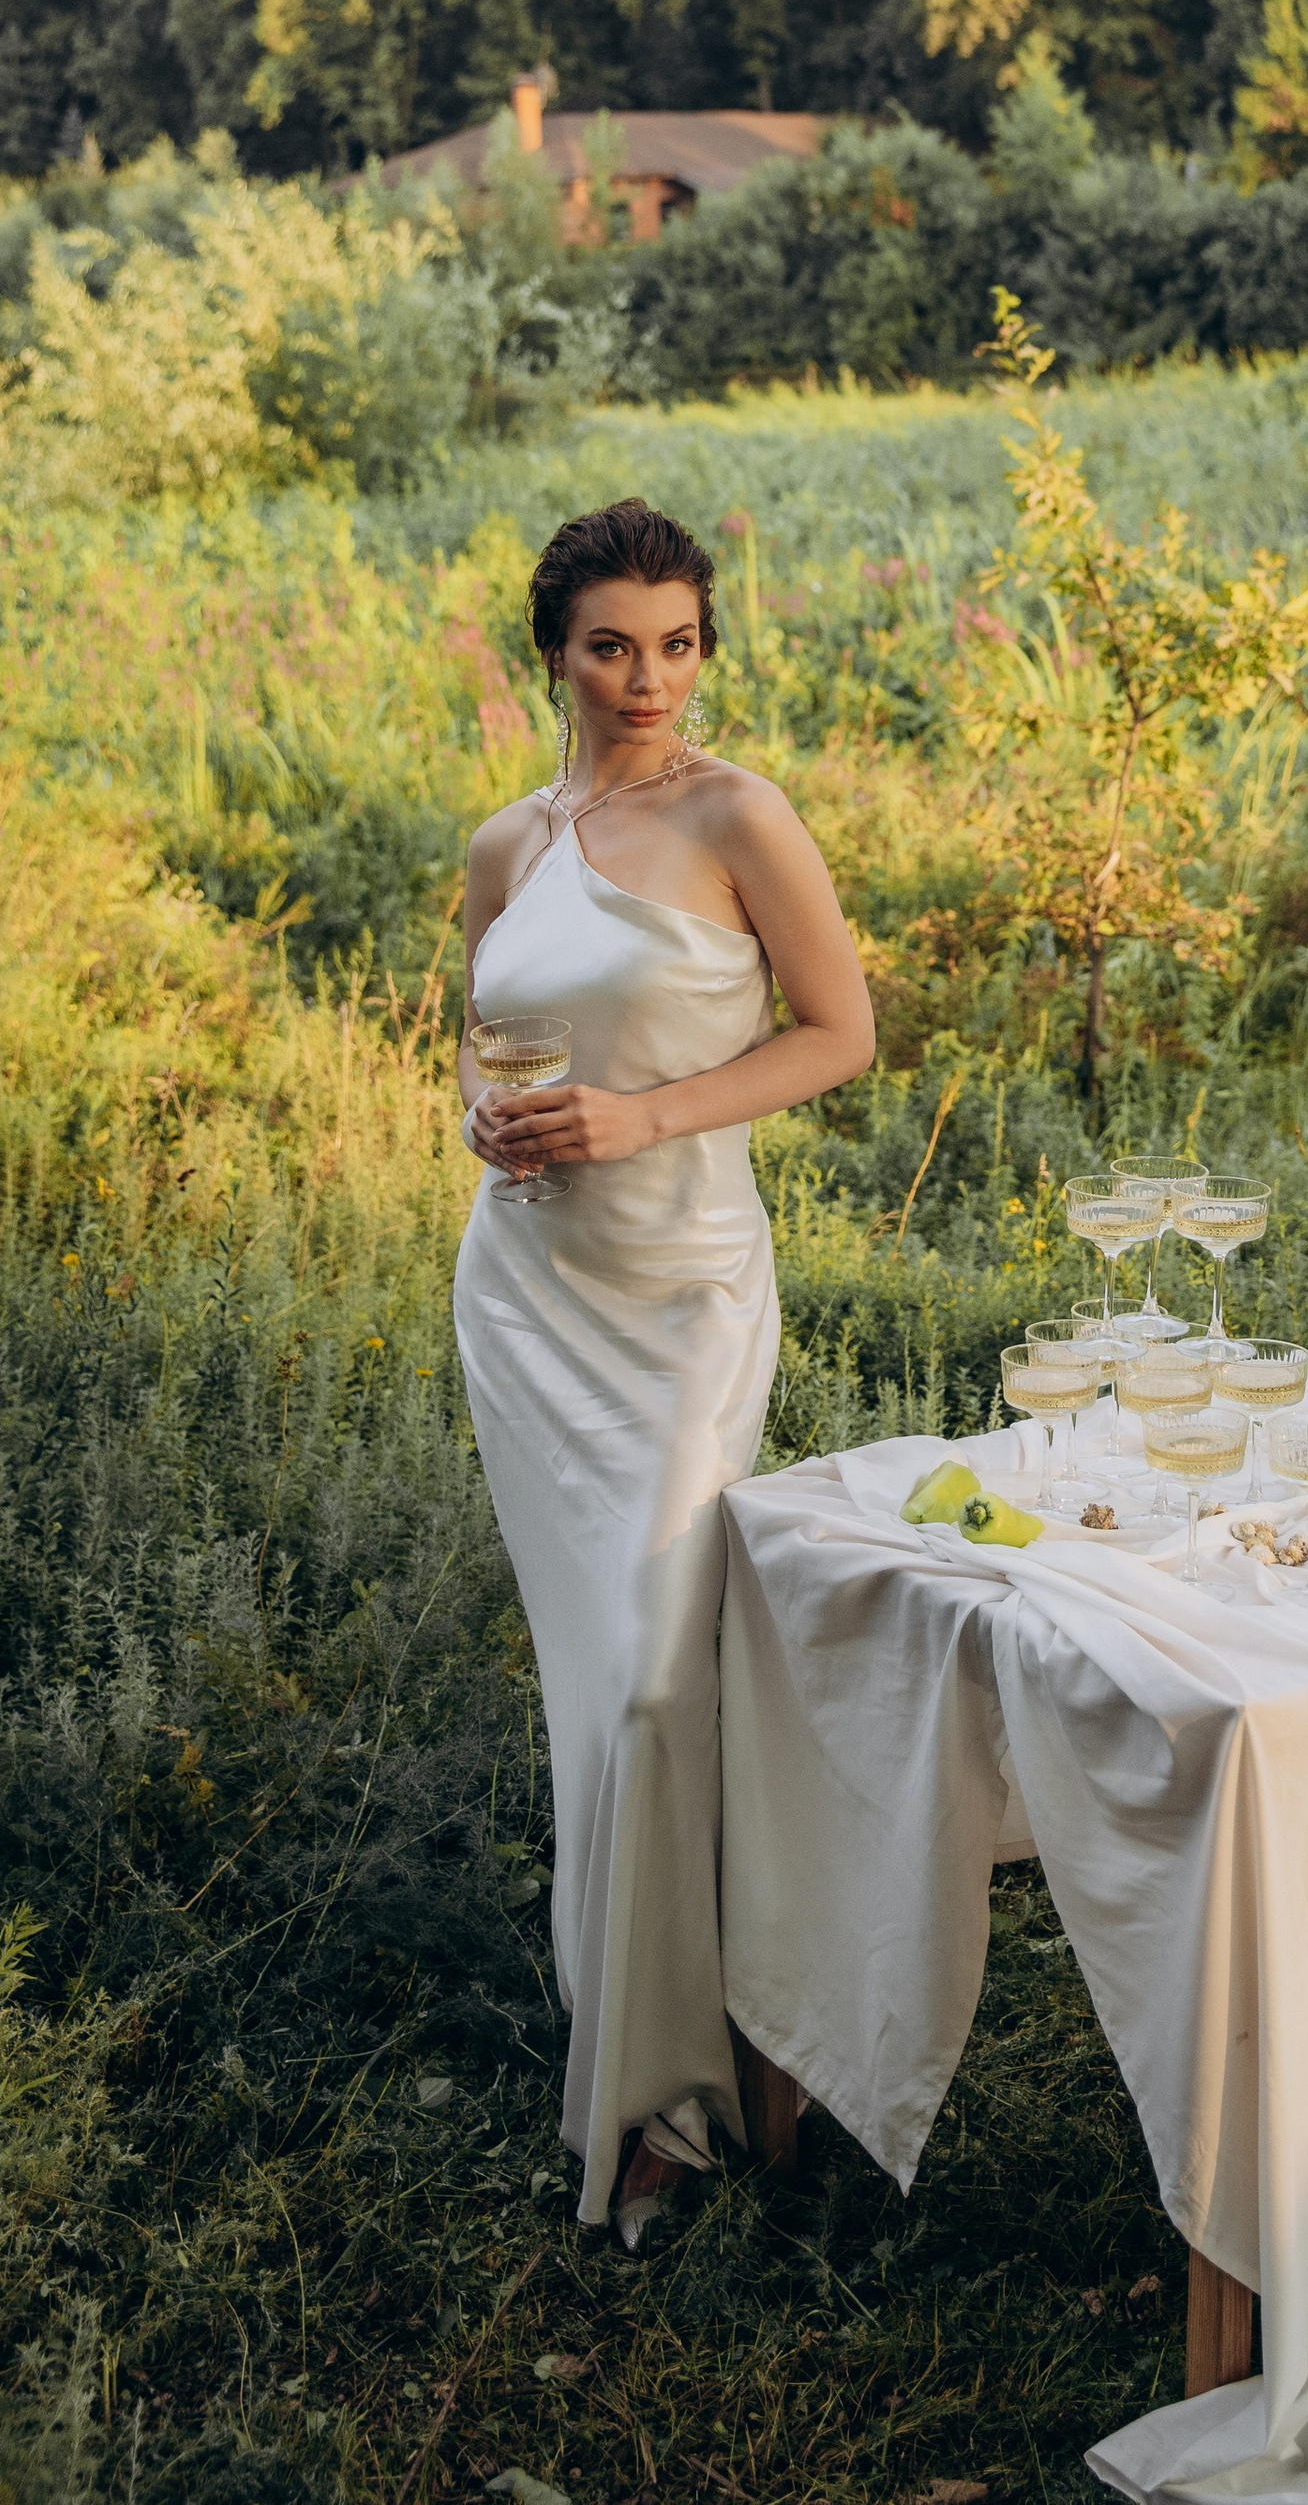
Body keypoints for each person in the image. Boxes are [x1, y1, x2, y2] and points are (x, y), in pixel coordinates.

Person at [454, 496, 874, 2243]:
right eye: (612, 645)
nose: (648, 680)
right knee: (595, 1702)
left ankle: (687, 2086)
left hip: (687, 1295)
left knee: (658, 1688)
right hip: (534, 1307)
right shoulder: (503, 844)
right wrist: (498, 1128)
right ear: (553, 648)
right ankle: (649, 2101)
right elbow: (473, 1062)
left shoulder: (737, 812)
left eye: (679, 643)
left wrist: (639, 1116)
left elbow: (840, 1034)